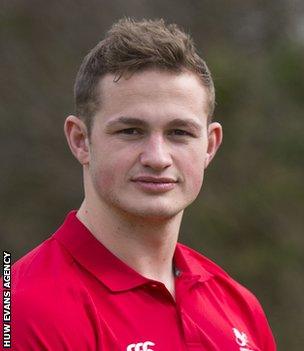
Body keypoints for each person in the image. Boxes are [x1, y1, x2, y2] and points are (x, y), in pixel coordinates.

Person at [13, 18, 276, 350]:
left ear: (209, 145)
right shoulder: (27, 310)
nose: (157, 157)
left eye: (179, 133)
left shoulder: (239, 307)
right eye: (131, 131)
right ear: (81, 140)